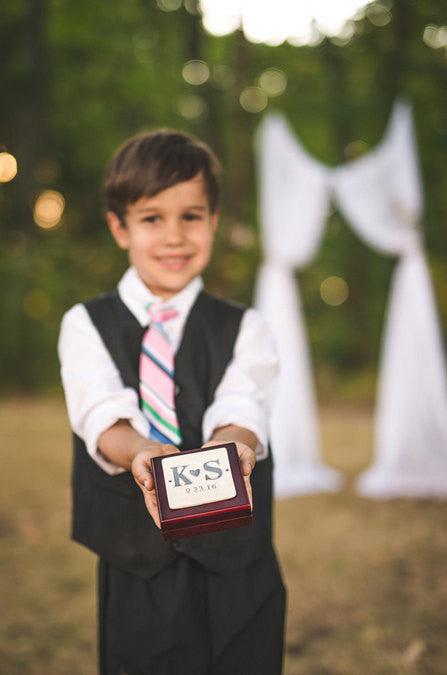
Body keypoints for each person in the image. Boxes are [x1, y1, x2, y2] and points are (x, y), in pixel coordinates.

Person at [58, 128, 286, 675]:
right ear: (120, 227)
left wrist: (233, 450)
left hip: (240, 565)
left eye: (192, 215)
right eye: (152, 217)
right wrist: (143, 455)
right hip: (138, 564)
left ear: (213, 222)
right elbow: (100, 410)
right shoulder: (86, 324)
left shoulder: (246, 327)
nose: (175, 237)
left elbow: (243, 406)